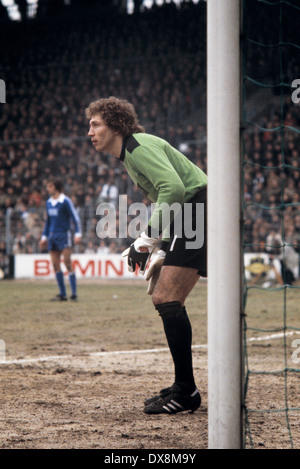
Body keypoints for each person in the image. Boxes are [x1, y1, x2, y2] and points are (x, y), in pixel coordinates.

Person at [86, 96, 207, 415]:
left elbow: (175, 190)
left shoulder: (137, 146)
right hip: (193, 213)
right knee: (167, 298)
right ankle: (185, 387)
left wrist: (146, 239)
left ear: (114, 125)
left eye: (95, 124)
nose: (90, 131)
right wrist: (162, 247)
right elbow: (171, 197)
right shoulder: (131, 152)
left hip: (200, 208)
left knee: (166, 296)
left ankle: (186, 391)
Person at [39, 179, 82, 301]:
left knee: (68, 263)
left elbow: (75, 217)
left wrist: (78, 233)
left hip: (64, 234)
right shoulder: (48, 203)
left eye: (50, 186)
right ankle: (62, 294)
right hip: (52, 236)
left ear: (56, 187)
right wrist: (44, 237)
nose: (47, 189)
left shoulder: (65, 201)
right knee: (55, 264)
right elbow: (48, 222)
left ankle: (73, 294)